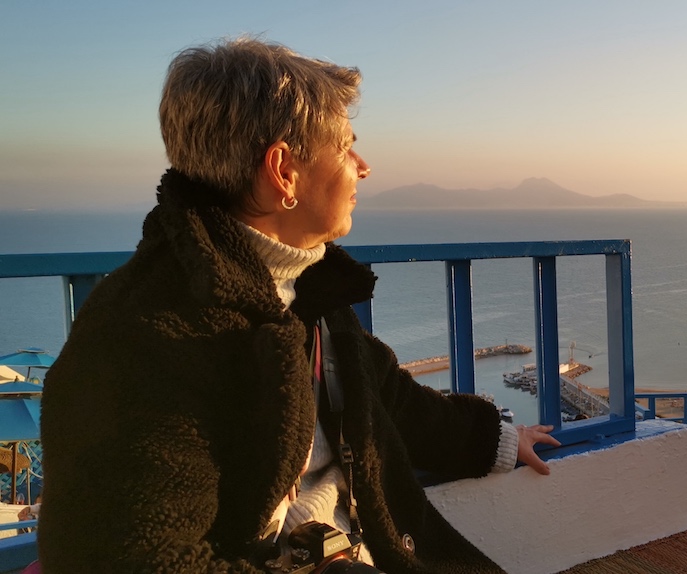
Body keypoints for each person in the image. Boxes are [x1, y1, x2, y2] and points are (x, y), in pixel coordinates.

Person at [38, 37, 559, 573]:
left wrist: (492, 437)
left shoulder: (304, 288)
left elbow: (382, 397)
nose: (363, 166)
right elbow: (129, 554)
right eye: (346, 146)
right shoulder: (146, 334)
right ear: (284, 171)